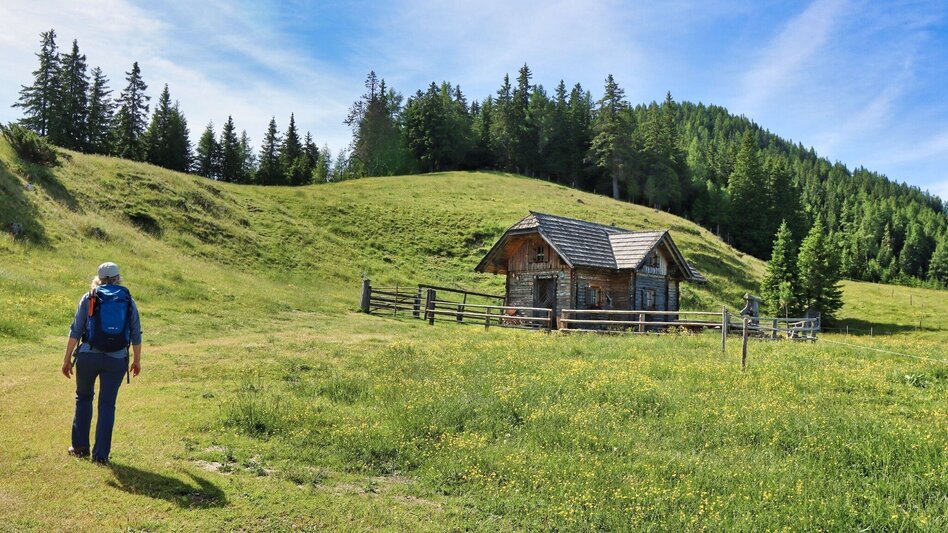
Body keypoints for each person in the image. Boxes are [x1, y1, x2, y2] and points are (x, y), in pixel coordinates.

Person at [61, 262, 142, 464]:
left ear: (98, 279)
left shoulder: (89, 297)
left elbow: (76, 330)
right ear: (118, 278)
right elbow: (136, 334)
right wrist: (137, 361)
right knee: (107, 405)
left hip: (88, 356)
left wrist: (67, 359)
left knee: (84, 397)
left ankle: (79, 448)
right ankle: (101, 456)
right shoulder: (128, 300)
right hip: (116, 360)